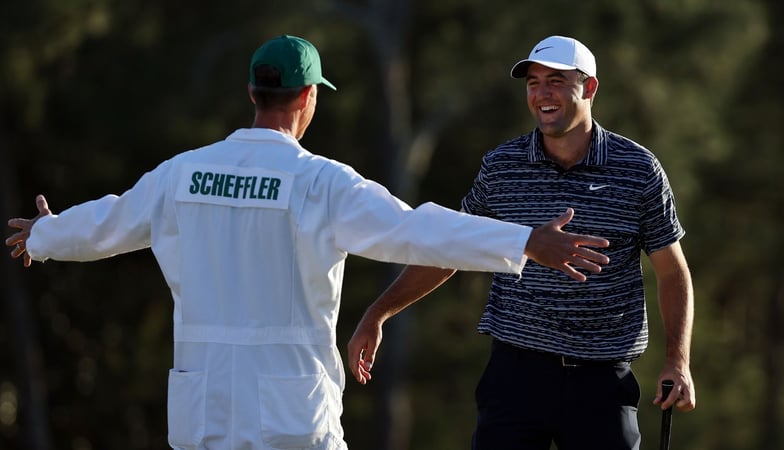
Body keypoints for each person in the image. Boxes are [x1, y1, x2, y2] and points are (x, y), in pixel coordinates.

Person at [5, 35, 612, 450]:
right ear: (308, 98)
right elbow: (417, 229)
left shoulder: (181, 174)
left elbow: (107, 224)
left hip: (203, 409)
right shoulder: (320, 182)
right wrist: (525, 240)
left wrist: (47, 233)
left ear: (251, 94)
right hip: (291, 415)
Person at [347, 35, 696, 450]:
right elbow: (451, 250)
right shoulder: (502, 166)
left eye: (555, 81)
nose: (542, 94)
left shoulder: (638, 170)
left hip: (602, 381)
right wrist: (377, 313)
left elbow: (672, 270)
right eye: (533, 82)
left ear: (589, 87)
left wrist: (678, 358)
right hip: (516, 376)